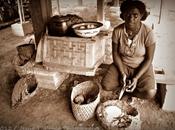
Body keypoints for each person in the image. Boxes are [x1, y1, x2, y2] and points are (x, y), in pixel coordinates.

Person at [101, 0, 157, 99]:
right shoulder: (117, 31)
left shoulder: (148, 33)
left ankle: (129, 93)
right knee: (106, 85)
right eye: (128, 14)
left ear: (141, 16)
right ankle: (125, 84)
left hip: (141, 66)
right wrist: (122, 73)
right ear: (123, 15)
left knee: (150, 93)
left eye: (135, 15)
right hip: (123, 65)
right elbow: (115, 53)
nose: (131, 18)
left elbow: (149, 59)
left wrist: (136, 78)